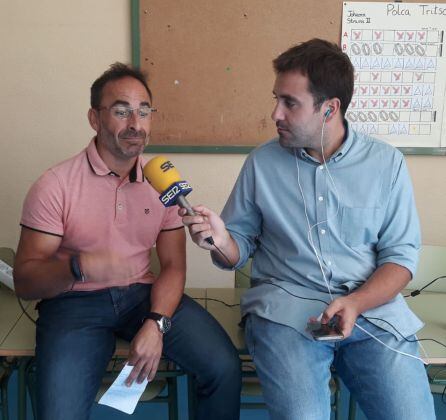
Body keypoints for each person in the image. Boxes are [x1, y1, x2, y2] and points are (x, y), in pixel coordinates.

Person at [181, 39, 436, 419]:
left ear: (329, 108)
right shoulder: (262, 163)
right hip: (285, 314)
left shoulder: (387, 165)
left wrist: (356, 303)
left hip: (371, 315)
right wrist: (218, 239)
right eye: (276, 99)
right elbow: (237, 251)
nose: (275, 114)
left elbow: (400, 259)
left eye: (290, 103)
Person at [14, 62, 241, 420]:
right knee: (58, 412)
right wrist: (76, 266)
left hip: (142, 297)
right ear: (94, 118)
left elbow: (172, 267)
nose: (136, 124)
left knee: (224, 368)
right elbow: (25, 282)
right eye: (121, 111)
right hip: (74, 304)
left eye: (144, 111)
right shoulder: (54, 185)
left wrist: (156, 323)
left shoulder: (162, 184)